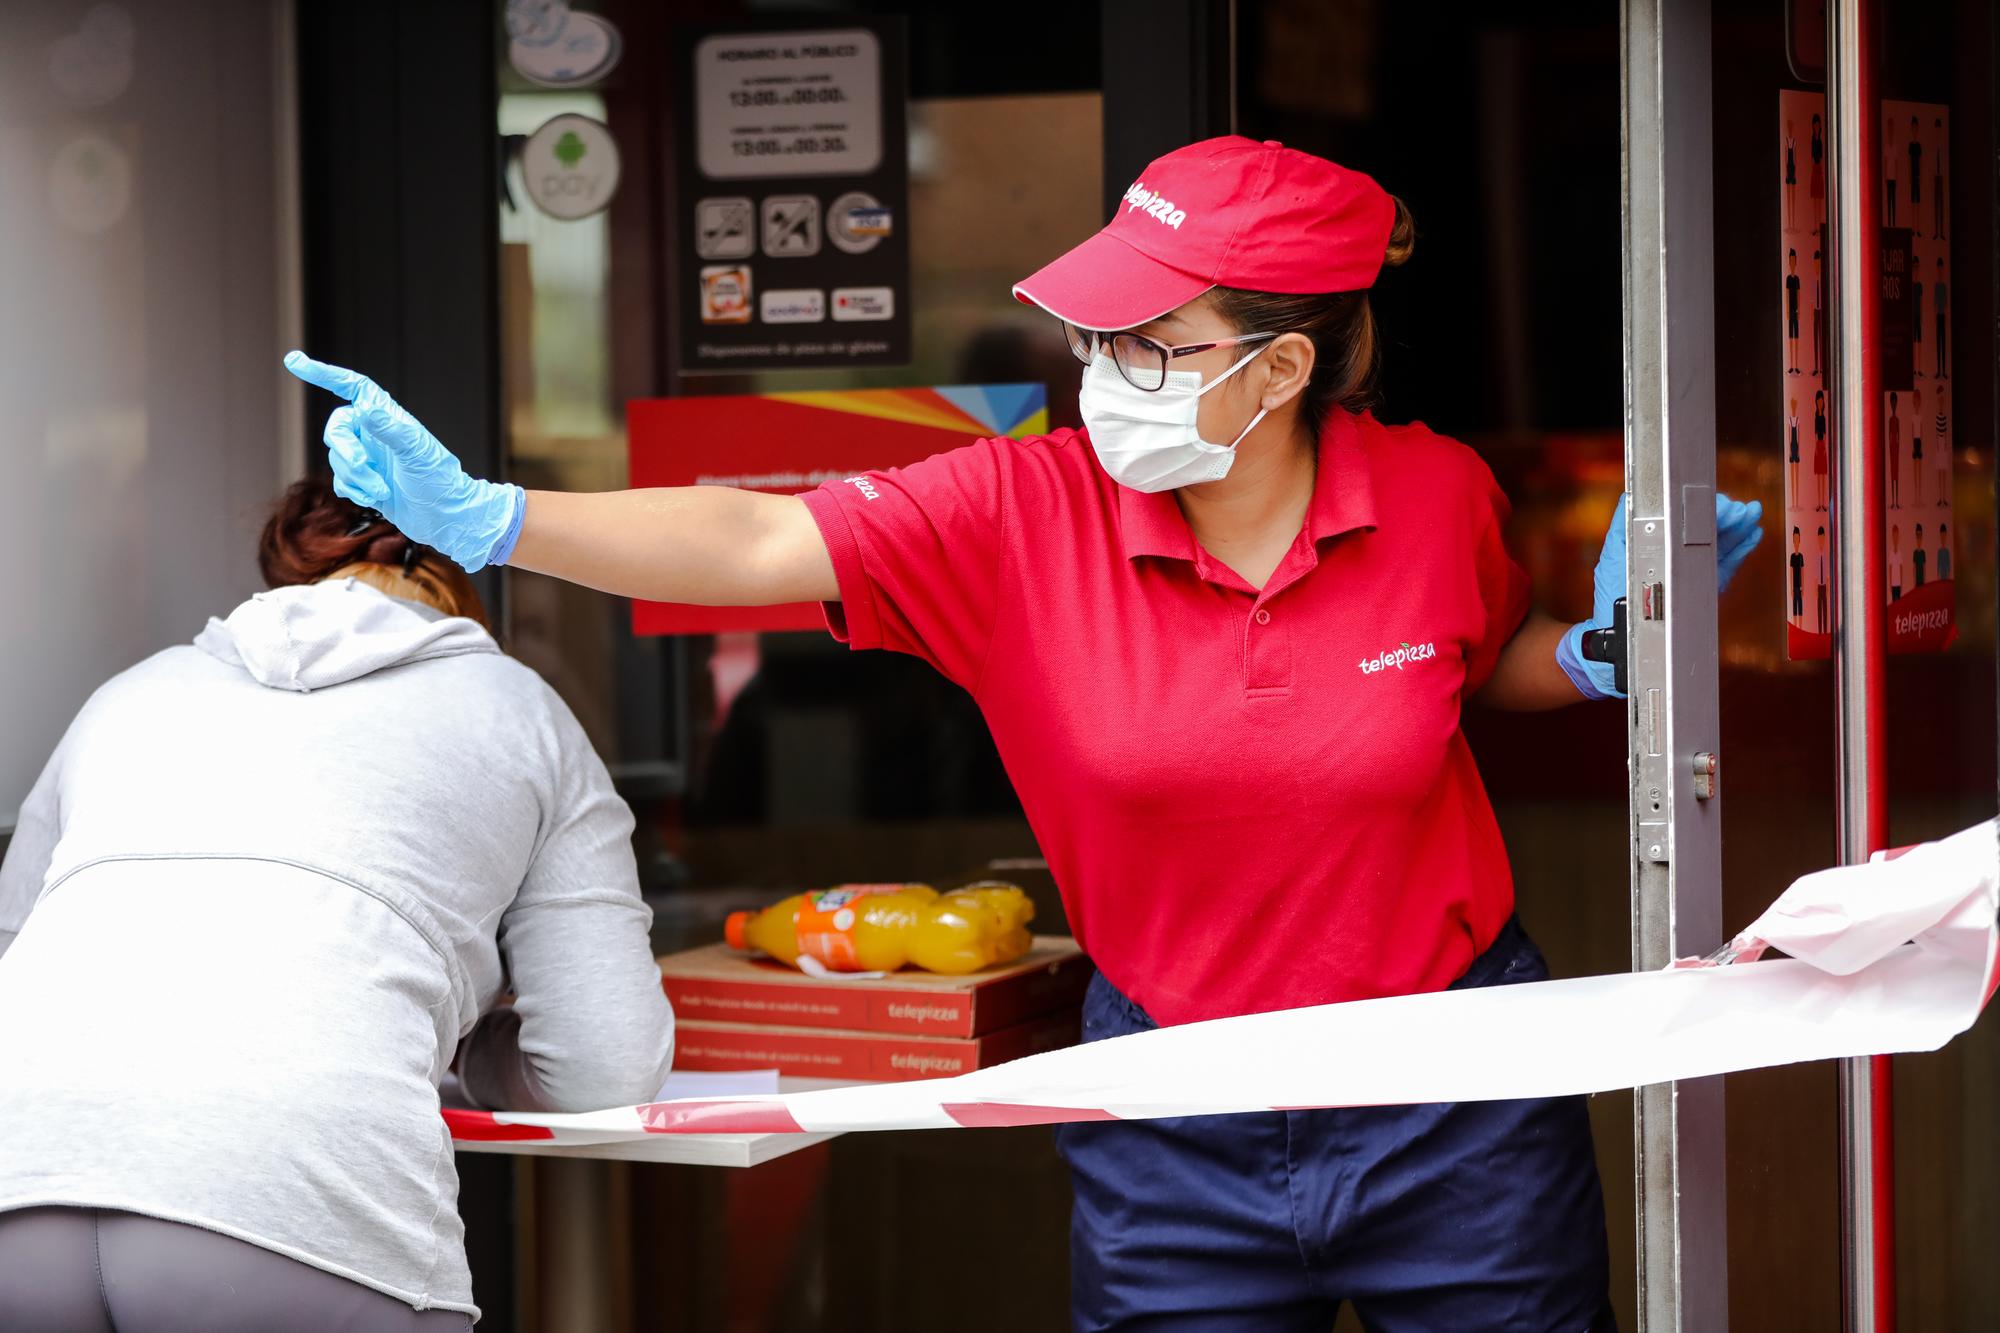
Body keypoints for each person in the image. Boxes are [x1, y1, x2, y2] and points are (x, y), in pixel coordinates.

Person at [284, 137, 1765, 1330]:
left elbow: (1461, 662)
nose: (1101, 364)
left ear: (1283, 367)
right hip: (1172, 1110)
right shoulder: (1016, 511)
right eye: (1098, 332)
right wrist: (494, 517)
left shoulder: (1436, 494)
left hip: (1454, 1094)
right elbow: (749, 541)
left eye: (1151, 338)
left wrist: (1589, 655)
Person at [0, 478, 676, 1331]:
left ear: (291, 571)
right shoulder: (522, 714)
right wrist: (460, 1044)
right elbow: (603, 1062)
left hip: (17, 1169)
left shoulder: (130, 694)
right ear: (464, 578)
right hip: (289, 1202)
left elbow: (15, 949)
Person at [1785, 248, 1801, 375]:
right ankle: (1791, 365)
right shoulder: (1788, 279)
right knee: (1791, 337)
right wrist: (1786, 310)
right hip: (1790, 311)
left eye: (1793, 260)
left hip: (1796, 311)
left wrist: (1799, 310)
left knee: (1796, 338)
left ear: (1795, 262)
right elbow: (1786, 294)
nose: (1792, 262)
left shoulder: (1797, 279)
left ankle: (1797, 365)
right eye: (1790, 260)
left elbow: (1799, 294)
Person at [1933, 257, 1948, 378]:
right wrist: (1934, 319)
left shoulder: (1943, 286)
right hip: (1938, 316)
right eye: (1939, 268)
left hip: (1943, 316)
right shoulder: (1937, 286)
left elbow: (1946, 304)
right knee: (1939, 343)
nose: (1940, 271)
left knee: (1943, 343)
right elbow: (1935, 304)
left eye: (1941, 268)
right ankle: (1939, 370)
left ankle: (1943, 370)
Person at [1885, 390, 1900, 509]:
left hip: (1896, 448)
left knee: (1896, 474)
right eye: (1892, 403)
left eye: (1894, 403)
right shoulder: (1890, 420)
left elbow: (1897, 434)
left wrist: (1896, 443)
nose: (1893, 405)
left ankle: (1897, 500)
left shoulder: (1896, 420)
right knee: (1892, 473)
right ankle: (1893, 501)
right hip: (1892, 448)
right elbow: (1890, 434)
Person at [1932, 118, 1946, 239]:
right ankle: (1936, 232)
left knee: (1941, 204)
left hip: (1941, 176)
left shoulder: (1942, 145)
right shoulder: (1934, 146)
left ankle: (1941, 232)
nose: (1937, 131)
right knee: (1936, 203)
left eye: (1938, 129)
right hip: (1935, 176)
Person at [1809, 113, 1825, 215]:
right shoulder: (1813, 140)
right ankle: (1815, 224)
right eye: (1815, 125)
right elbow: (1811, 156)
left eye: (1818, 125)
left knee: (1819, 197)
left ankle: (1819, 224)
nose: (1817, 127)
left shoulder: (1820, 141)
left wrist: (1821, 171)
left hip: (1819, 168)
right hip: (1815, 168)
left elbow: (1822, 157)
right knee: (1815, 197)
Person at [1815, 525, 1829, 634]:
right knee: (1819, 609)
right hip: (1819, 585)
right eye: (1819, 538)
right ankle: (1820, 631)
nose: (1821, 540)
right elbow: (1816, 573)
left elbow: (1827, 573)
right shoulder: (1817, 555)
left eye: (1822, 538)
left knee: (1825, 609)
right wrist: (1815, 587)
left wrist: (1828, 586)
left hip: (1824, 585)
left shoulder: (1826, 554)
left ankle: (1825, 630)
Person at [1890, 524, 1903, 602]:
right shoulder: (1891, 553)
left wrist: (1901, 583)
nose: (1895, 537)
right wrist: (1890, 584)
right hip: (1893, 583)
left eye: (1896, 535)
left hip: (1898, 583)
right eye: (1894, 535)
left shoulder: (1900, 553)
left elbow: (1901, 568)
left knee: (1899, 601)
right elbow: (1890, 568)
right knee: (1893, 601)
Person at [1914, 523, 1928, 588]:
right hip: (1917, 582)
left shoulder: (1923, 552)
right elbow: (1914, 568)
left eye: (1920, 535)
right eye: (1917, 535)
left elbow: (1924, 567)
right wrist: (1914, 582)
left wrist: (1924, 581)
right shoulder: (1915, 553)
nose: (1919, 538)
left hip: (1922, 582)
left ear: (1922, 536)